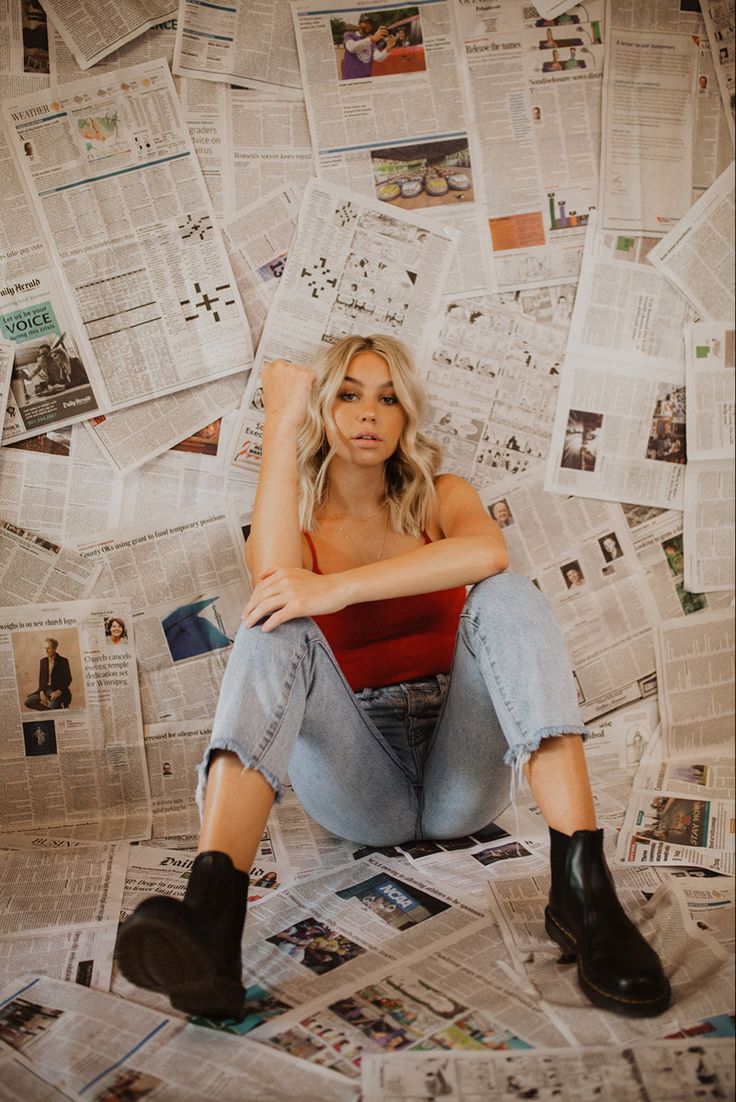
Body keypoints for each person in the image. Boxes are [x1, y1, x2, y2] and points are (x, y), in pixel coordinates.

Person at [116, 334, 670, 1021]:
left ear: (407, 416)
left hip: (458, 772)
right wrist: (283, 420)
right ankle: (210, 918)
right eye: (347, 396)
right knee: (275, 620)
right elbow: (272, 582)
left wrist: (340, 590)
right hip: (360, 786)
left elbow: (485, 551)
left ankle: (585, 893)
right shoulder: (299, 523)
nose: (368, 414)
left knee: (507, 591)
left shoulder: (441, 496)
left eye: (386, 399)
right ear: (323, 409)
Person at [341, 13, 394, 80]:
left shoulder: (371, 41)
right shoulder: (349, 35)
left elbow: (379, 58)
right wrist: (372, 39)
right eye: (366, 23)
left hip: (366, 79)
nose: (368, 26)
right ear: (359, 24)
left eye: (370, 24)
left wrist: (389, 47)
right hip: (350, 79)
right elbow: (351, 48)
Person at [25, 638, 72, 710]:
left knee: (53, 706)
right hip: (45, 689)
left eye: (49, 648)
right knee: (28, 702)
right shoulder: (43, 661)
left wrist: (59, 691)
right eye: (44, 648)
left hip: (57, 690)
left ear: (55, 648)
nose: (46, 651)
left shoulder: (63, 661)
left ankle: (52, 710)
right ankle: (51, 711)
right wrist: (41, 692)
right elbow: (41, 679)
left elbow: (68, 679)